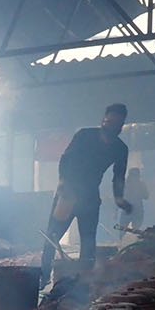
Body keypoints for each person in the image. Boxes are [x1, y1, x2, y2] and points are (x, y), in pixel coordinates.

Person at [39, 103, 133, 286]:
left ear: (121, 127)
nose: (112, 126)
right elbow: (66, 159)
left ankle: (84, 284)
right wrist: (63, 183)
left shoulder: (120, 149)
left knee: (88, 242)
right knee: (52, 236)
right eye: (109, 121)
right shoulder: (84, 135)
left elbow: (118, 176)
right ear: (103, 121)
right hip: (69, 194)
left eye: (117, 124)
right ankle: (43, 276)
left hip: (90, 198)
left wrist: (119, 198)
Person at [116, 167, 148, 236]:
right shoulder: (125, 185)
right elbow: (120, 197)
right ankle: (122, 243)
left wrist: (140, 191)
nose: (134, 177)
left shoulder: (141, 184)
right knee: (122, 230)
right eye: (133, 175)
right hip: (127, 210)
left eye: (136, 175)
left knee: (136, 231)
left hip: (137, 211)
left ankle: (132, 243)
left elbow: (146, 196)